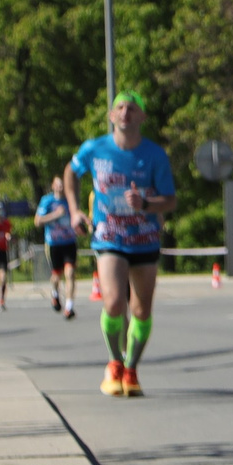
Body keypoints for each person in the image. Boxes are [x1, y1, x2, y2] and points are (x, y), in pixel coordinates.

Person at [65, 91, 179, 397]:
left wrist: (144, 203)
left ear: (142, 117)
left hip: (144, 239)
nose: (126, 112)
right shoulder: (94, 149)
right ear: (111, 116)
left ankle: (131, 368)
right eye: (120, 107)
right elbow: (70, 173)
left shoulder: (154, 155)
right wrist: (75, 210)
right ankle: (115, 362)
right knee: (114, 302)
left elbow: (170, 200)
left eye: (132, 108)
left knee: (141, 310)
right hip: (109, 237)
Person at [35, 172, 79, 319]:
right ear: (53, 186)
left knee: (70, 274)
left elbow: (77, 216)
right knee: (56, 276)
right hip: (54, 243)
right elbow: (38, 221)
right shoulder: (47, 201)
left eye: (62, 184)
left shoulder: (70, 201)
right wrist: (56, 215)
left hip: (69, 242)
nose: (60, 187)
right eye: (58, 184)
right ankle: (55, 294)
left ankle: (69, 307)